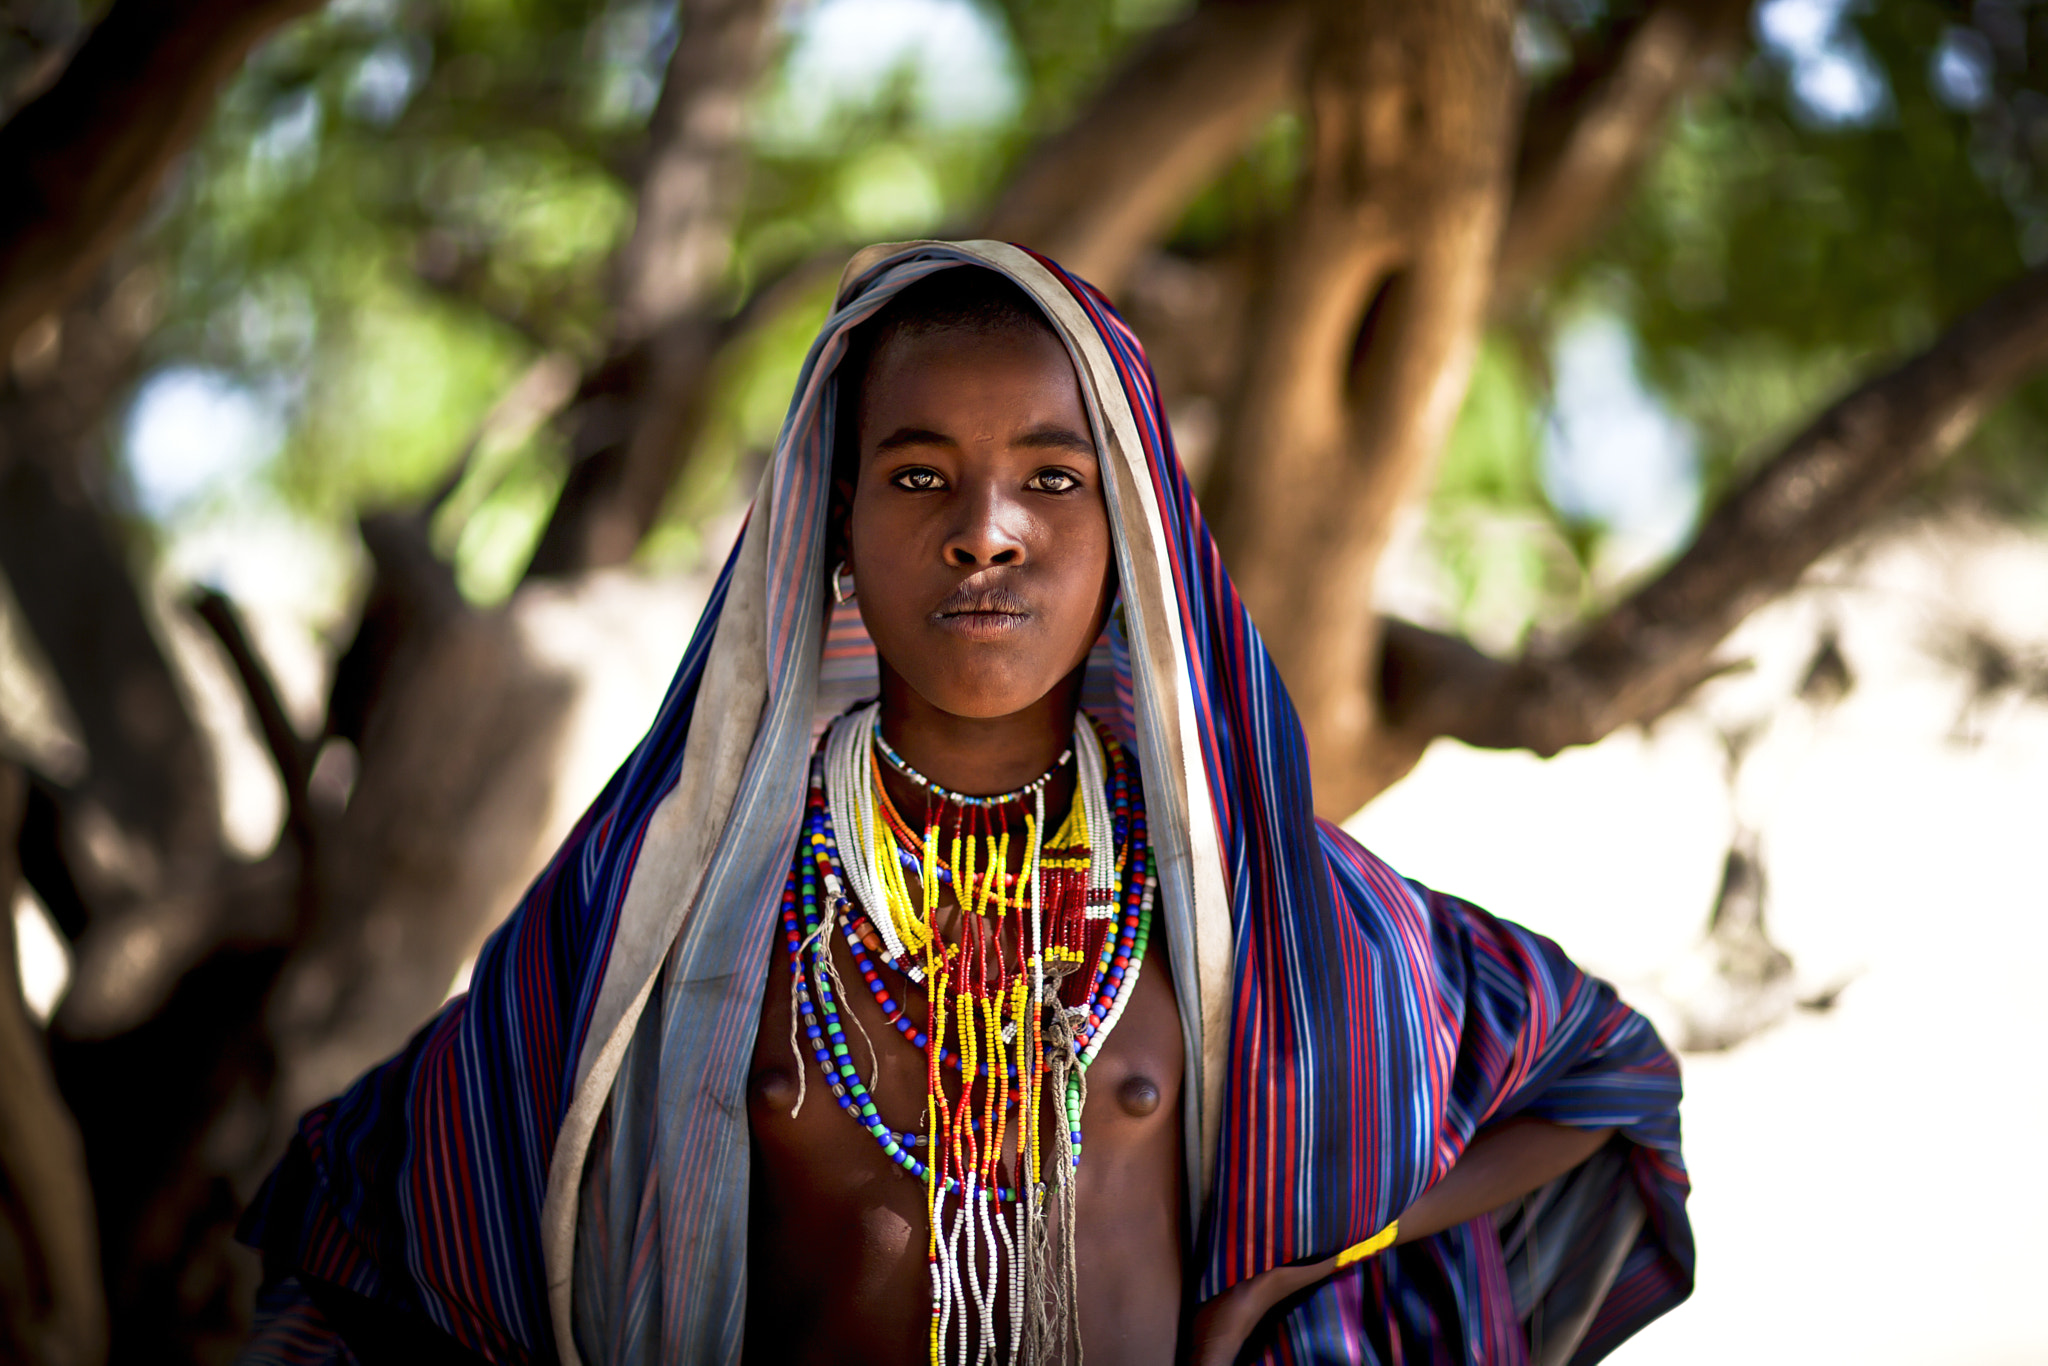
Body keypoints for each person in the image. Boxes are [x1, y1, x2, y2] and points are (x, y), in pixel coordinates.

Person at [238, 242, 1692, 1366]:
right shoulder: (673, 908)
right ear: (839, 529)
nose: (985, 529)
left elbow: (1597, 1071)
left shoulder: (1265, 903)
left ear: (1125, 538)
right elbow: (377, 1197)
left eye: (1052, 479)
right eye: (919, 473)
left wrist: (1298, 1254)